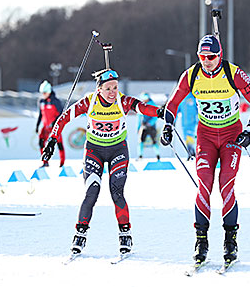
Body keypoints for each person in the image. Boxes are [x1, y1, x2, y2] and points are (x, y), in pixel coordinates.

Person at [160, 35, 250, 266]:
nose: (206, 61)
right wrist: (168, 126)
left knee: (226, 183)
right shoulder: (191, 75)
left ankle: (230, 241)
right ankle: (201, 241)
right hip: (206, 136)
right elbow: (172, 103)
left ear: (220, 55)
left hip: (231, 136)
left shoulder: (233, 73)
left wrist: (249, 130)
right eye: (202, 56)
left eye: (211, 57)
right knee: (204, 184)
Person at [42, 68, 163, 256]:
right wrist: (52, 139)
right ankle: (80, 235)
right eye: (108, 89)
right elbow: (64, 117)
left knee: (117, 192)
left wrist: (161, 113)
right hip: (94, 151)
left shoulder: (122, 101)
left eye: (115, 87)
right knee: (92, 192)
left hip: (118, 151)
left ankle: (125, 235)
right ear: (99, 89)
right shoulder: (89, 102)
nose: (113, 92)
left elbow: (142, 107)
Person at [36, 80, 64, 167]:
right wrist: (37, 125)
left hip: (54, 127)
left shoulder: (55, 101)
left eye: (44, 92)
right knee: (41, 143)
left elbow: (61, 114)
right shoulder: (42, 101)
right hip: (45, 126)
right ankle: (45, 161)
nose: (43, 94)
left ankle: (62, 163)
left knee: (59, 144)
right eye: (42, 93)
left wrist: (55, 123)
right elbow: (41, 114)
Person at [137, 92, 160, 160]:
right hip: (144, 126)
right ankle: (140, 155)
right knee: (141, 141)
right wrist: (139, 127)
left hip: (151, 127)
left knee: (154, 141)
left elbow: (155, 116)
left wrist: (150, 123)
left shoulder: (153, 105)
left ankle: (158, 155)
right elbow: (139, 117)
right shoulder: (141, 105)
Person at [177, 92, 198, 157]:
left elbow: (198, 109)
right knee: (187, 137)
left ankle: (193, 152)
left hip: (193, 122)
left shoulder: (193, 98)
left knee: (192, 137)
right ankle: (190, 152)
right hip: (185, 122)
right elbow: (177, 110)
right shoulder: (181, 99)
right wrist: (173, 120)